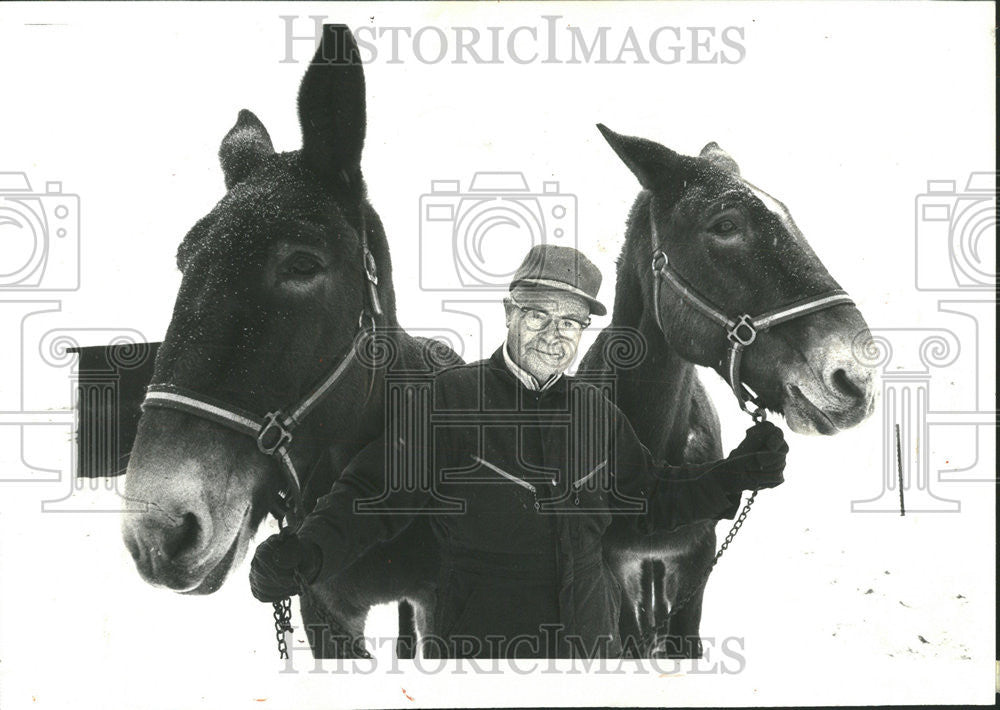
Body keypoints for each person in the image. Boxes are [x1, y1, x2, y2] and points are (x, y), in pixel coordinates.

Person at [249, 245, 787, 658]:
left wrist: (733, 474)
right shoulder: (449, 400)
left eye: (571, 323)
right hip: (477, 662)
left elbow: (650, 500)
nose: (555, 336)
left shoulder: (596, 414)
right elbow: (373, 495)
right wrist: (309, 553)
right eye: (539, 316)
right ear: (510, 311)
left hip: (587, 655)